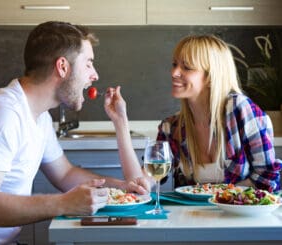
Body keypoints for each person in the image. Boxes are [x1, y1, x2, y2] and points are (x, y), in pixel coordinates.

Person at [0, 21, 149, 244]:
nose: (94, 75)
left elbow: (65, 174)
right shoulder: (3, 114)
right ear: (62, 67)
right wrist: (63, 203)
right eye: (88, 64)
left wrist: (120, 186)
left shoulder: (40, 116)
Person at [106, 35, 281, 193]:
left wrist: (221, 197)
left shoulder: (239, 109)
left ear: (211, 76)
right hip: (193, 219)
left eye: (187, 67)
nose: (174, 73)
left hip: (242, 218)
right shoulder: (172, 127)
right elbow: (140, 183)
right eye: (175, 64)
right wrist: (121, 122)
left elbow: (267, 176)